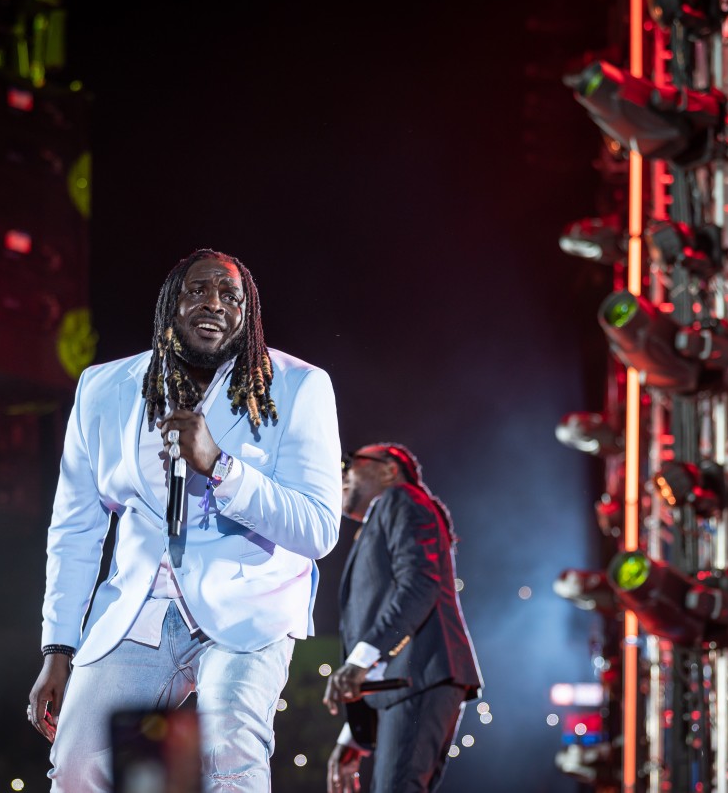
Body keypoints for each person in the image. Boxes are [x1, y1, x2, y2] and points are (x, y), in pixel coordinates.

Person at [27, 248, 342, 793]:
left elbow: (318, 528)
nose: (213, 303)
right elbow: (75, 528)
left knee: (230, 757)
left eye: (230, 295)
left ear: (248, 313)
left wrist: (222, 468)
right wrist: (58, 649)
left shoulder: (298, 386)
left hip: (248, 609)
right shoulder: (104, 388)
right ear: (171, 304)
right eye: (198, 290)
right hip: (139, 608)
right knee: (77, 766)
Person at [322, 443, 484, 793]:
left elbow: (419, 586)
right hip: (408, 682)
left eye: (351, 463)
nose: (342, 473)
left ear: (388, 469)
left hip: (420, 676)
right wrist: (354, 734)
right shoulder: (383, 516)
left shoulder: (401, 498)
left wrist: (360, 660)